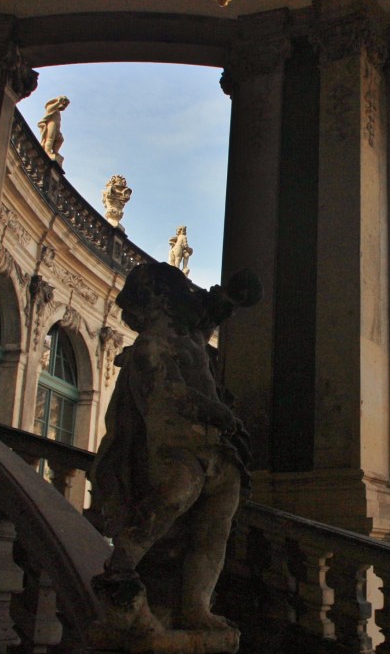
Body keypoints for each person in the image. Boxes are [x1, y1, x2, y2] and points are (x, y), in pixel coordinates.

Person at [87, 262, 261, 648]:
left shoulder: (191, 336)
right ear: (158, 302)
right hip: (173, 445)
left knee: (216, 524)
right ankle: (123, 563)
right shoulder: (152, 346)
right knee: (178, 492)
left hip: (214, 447)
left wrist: (228, 300)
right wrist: (214, 410)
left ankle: (196, 603)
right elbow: (168, 396)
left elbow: (213, 315)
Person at [37, 96, 69, 165]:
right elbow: (49, 110)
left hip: (57, 126)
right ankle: (47, 152)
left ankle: (55, 152)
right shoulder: (52, 105)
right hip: (51, 124)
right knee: (50, 138)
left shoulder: (57, 111)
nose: (64, 107)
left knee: (60, 139)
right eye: (64, 104)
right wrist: (58, 102)